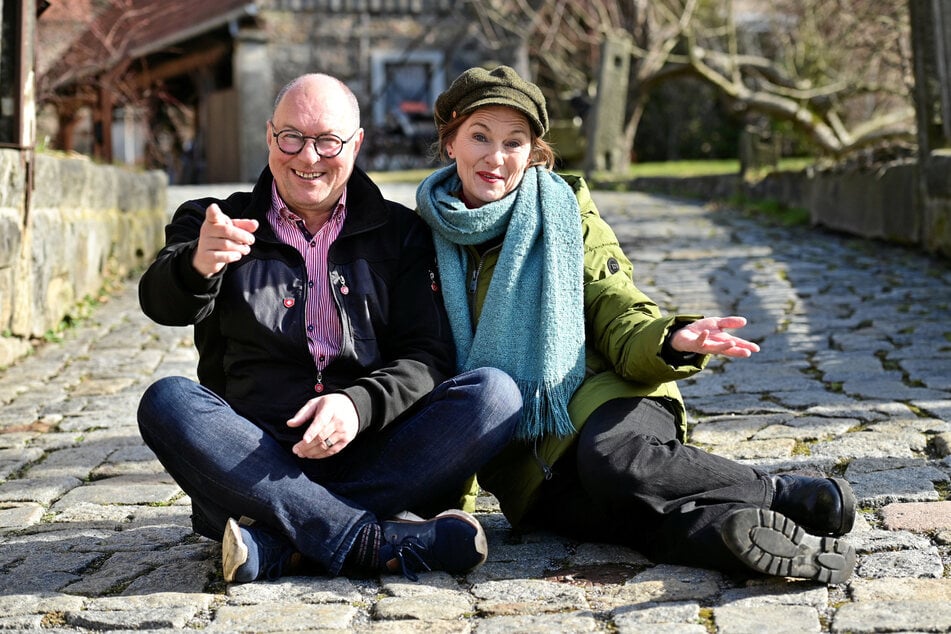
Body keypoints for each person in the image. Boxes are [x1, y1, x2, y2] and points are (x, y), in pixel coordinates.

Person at [414, 65, 858, 584]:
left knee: (613, 462)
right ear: (450, 143)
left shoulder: (563, 213)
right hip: (526, 464)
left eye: (514, 142)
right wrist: (449, 501)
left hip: (609, 395)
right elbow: (435, 369)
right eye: (480, 137)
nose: (496, 157)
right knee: (629, 520)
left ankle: (785, 495)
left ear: (533, 152)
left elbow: (614, 301)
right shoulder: (419, 238)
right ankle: (744, 538)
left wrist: (671, 338)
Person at [136, 73, 522, 584]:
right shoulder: (215, 220)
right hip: (256, 462)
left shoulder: (402, 232)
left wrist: (357, 405)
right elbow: (160, 302)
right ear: (270, 137)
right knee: (167, 401)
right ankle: (370, 541)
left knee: (496, 396)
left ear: (355, 144)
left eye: (327, 142)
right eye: (291, 137)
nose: (308, 157)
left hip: (375, 451)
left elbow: (427, 354)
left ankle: (281, 543)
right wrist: (196, 266)